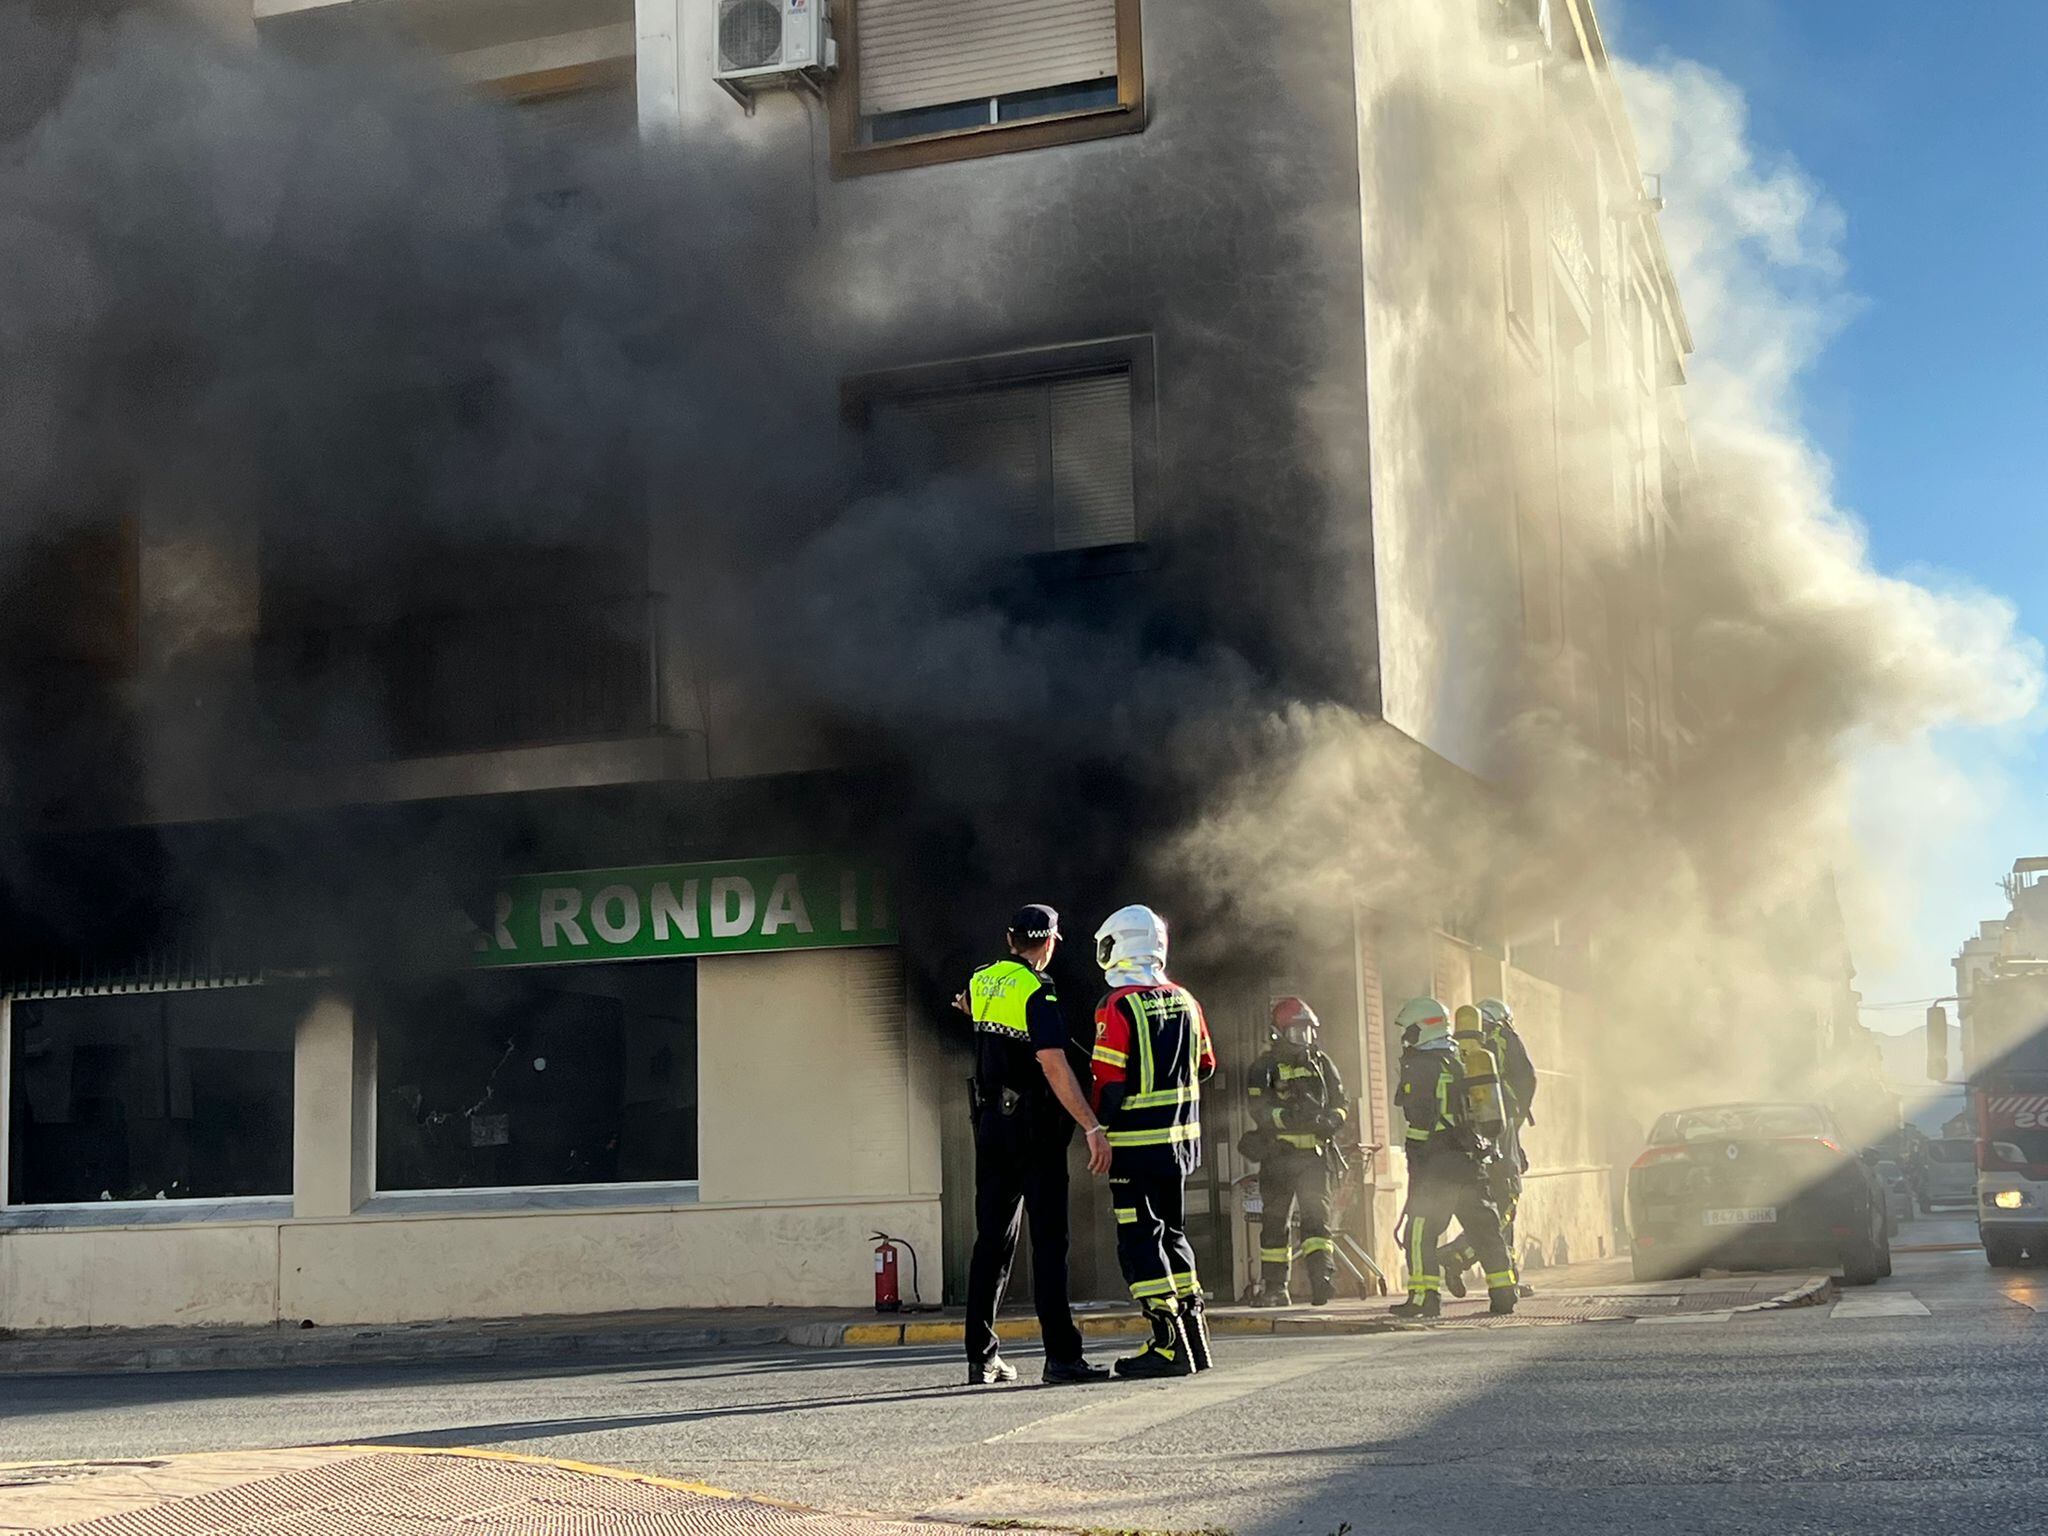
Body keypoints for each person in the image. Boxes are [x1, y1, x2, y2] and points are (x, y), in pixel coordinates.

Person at [956, 904, 1113, 1386]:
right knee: (1049, 1245)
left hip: (990, 1129)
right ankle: (1062, 1358)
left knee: (992, 1243)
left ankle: (981, 1359)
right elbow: (1052, 1063)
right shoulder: (1036, 990)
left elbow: (969, 1007)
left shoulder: (983, 979)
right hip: (1033, 1131)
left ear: (1010, 940)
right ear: (1049, 942)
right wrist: (1090, 1124)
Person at [1089, 904, 1217, 1377]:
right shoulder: (1186, 999)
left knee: (1139, 1239)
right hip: (1182, 1145)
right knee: (1175, 1234)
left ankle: (1166, 1345)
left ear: (1118, 946)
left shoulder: (1116, 1005)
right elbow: (1206, 1066)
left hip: (1135, 1147)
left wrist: (1094, 1128)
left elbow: (1110, 1083)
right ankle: (1195, 1341)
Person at [1389, 996, 1516, 1320]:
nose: (1406, 1038)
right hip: (1471, 1160)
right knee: (1484, 1228)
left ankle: (1423, 1299)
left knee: (1419, 1231)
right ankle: (1504, 1292)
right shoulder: (1464, 1060)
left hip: (1438, 1166)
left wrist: (1418, 1161)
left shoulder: (1420, 1066)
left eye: (1410, 1031)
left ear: (1424, 1029)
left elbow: (1418, 1117)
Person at [1245, 997, 1348, 1306]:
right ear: (1278, 1032)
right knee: (1275, 1225)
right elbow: (1258, 1109)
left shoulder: (1321, 1063)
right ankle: (1276, 1289)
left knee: (1318, 1223)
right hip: (1278, 1156)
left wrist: (1332, 1120)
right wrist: (1285, 1119)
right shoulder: (1263, 1067)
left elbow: (1342, 1103)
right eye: (1296, 1032)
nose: (1303, 1039)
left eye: (1307, 1032)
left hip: (1315, 1158)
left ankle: (1322, 1281)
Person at [1439, 996, 1538, 1297]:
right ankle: (1458, 1254)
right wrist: (1515, 1121)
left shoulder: (1456, 1049)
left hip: (1470, 1143)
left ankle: (1509, 1277)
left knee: (1489, 1206)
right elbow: (1528, 1079)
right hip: (1500, 1130)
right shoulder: (1505, 1037)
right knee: (1506, 1203)